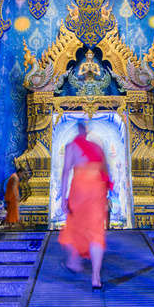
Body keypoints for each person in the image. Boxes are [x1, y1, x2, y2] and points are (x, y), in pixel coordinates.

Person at [59, 121, 111, 290]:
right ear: (86, 132)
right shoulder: (97, 147)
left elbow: (66, 171)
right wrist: (106, 192)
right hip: (97, 186)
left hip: (80, 186)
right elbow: (106, 171)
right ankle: (95, 276)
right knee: (96, 230)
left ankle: (74, 260)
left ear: (77, 132)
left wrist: (62, 198)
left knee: (75, 223)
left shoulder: (72, 146)